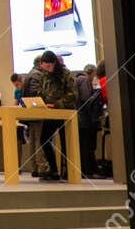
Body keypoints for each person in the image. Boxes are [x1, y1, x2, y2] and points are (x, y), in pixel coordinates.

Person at [38, 50, 77, 180]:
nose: (47, 69)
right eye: (44, 67)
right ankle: (54, 170)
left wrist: (57, 104)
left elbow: (73, 95)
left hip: (65, 113)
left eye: (49, 66)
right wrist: (39, 102)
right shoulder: (44, 75)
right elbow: (41, 91)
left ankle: (68, 171)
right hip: (50, 113)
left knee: (66, 143)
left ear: (55, 63)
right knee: (44, 140)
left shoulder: (66, 74)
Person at [76, 64, 104, 177]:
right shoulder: (84, 81)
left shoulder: (78, 80)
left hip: (81, 118)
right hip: (85, 119)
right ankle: (89, 171)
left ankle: (88, 170)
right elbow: (87, 99)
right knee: (88, 145)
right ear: (92, 73)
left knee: (85, 145)